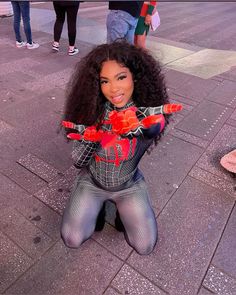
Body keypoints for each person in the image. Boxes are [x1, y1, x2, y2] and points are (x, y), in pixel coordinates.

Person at [61, 41, 182, 255]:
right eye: (105, 81)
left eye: (121, 77)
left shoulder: (143, 112)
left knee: (144, 246)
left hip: (128, 185)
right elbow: (79, 161)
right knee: (72, 238)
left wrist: (144, 127)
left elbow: (154, 124)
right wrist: (94, 137)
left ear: (135, 77)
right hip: (92, 182)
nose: (114, 88)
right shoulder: (92, 112)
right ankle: (96, 211)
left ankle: (119, 212)